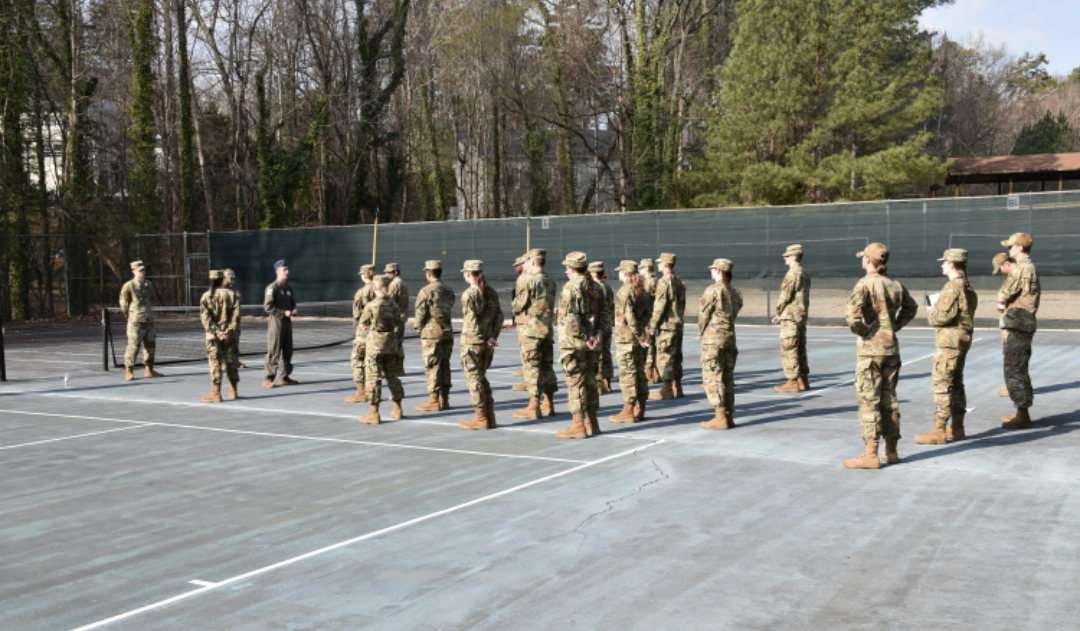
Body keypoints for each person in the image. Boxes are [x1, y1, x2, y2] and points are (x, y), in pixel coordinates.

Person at [843, 243, 918, 469]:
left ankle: (870, 453)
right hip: (890, 349)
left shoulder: (864, 285)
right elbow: (911, 307)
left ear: (868, 260)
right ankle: (892, 450)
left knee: (869, 401)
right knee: (889, 400)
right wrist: (893, 327)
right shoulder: (895, 285)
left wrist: (866, 331)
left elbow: (853, 318)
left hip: (870, 351)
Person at [915, 249, 977, 444]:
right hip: (961, 340)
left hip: (949, 343)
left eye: (944, 262)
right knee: (956, 384)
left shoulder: (952, 288)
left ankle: (939, 429)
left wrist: (931, 311)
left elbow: (942, 318)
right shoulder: (968, 288)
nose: (942, 265)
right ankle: (957, 427)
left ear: (951, 263)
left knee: (942, 384)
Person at [555, 252, 601, 439]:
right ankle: (593, 422)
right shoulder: (597, 286)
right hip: (593, 344)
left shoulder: (571, 287)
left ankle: (578, 425)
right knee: (590, 381)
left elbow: (572, 318)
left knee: (575, 382)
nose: (566, 270)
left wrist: (584, 337)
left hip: (574, 344)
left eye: (567, 267)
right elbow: (606, 315)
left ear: (572, 268)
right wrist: (596, 335)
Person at [997, 232, 1040, 429]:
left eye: (1011, 247)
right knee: (1019, 367)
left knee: (1014, 369)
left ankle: (1023, 414)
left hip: (1018, 323)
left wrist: (1001, 301)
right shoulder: (1029, 268)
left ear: (1020, 248)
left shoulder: (1021, 269)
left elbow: (1004, 293)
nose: (1009, 250)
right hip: (1022, 323)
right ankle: (1022, 411)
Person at [511, 249, 560, 420]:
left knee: (532, 369)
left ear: (532, 261)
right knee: (547, 367)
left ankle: (534, 405)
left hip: (531, 330)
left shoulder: (531, 281)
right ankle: (549, 403)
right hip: (546, 330)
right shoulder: (550, 281)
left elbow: (518, 305)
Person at [699, 259, 743, 429]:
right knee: (727, 377)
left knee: (713, 377)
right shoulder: (735, 291)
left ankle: (720, 416)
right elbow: (737, 309)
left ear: (718, 270)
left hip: (714, 339)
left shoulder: (713, 290)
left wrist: (702, 331)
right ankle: (728, 415)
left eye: (713, 269)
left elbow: (704, 314)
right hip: (729, 338)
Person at [458, 260, 503, 430]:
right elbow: (499, 317)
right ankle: (489, 417)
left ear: (468, 273)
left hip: (473, 343)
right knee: (482, 378)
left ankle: (481, 418)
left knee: (474, 379)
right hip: (487, 343)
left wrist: (480, 338)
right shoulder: (490, 292)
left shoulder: (469, 294)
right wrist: (492, 336)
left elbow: (471, 323)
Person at [608, 260, 652, 424]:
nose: (618, 273)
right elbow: (648, 314)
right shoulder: (642, 291)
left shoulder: (625, 291)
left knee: (628, 375)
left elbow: (629, 317)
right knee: (639, 374)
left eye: (620, 271)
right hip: (639, 340)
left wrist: (639, 335)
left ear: (625, 273)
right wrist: (644, 334)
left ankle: (628, 410)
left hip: (628, 339)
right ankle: (640, 408)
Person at [358, 275, 405, 424]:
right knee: (392, 375)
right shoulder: (393, 304)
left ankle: (373, 412)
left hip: (375, 345)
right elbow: (399, 321)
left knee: (373, 377)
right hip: (391, 344)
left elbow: (363, 324)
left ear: (375, 288)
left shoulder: (371, 306)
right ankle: (397, 408)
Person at [414, 260, 455, 412]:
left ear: (429, 273)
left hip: (432, 334)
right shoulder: (448, 290)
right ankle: (444, 399)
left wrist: (419, 329)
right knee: (445, 365)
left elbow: (420, 315)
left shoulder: (425, 291)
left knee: (432, 366)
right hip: (446, 332)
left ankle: (433, 400)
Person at [647, 253, 686, 400]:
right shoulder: (679, 282)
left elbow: (660, 306)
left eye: (660, 263)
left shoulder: (664, 282)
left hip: (667, 325)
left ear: (665, 264)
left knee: (665, 357)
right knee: (676, 357)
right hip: (677, 324)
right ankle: (677, 386)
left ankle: (667, 388)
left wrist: (652, 327)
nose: (658, 265)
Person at [772, 244, 811, 392]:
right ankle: (803, 380)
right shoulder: (804, 273)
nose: (784, 258)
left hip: (791, 316)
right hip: (800, 315)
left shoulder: (792, 273)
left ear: (794, 256)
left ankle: (792, 381)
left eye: (787, 256)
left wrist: (778, 312)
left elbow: (785, 296)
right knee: (800, 347)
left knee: (789, 348)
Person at [119, 260, 163, 380]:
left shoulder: (149, 284)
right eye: (139, 270)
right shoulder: (129, 286)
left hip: (148, 320)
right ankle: (129, 371)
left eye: (143, 270)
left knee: (150, 346)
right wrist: (130, 315)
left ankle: (149, 369)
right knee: (133, 346)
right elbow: (124, 303)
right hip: (135, 322)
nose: (142, 272)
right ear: (133, 271)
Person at [199, 270, 239, 402]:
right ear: (222, 280)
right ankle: (233, 390)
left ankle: (216, 393)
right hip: (231, 335)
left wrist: (217, 332)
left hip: (213, 336)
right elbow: (236, 317)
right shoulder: (234, 295)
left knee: (215, 363)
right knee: (231, 361)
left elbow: (205, 318)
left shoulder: (206, 296)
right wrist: (228, 331)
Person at [263, 260, 298, 387]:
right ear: (277, 271)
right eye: (284, 270)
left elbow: (292, 302)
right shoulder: (272, 288)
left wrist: (294, 309)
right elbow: (268, 307)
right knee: (274, 349)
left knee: (287, 349)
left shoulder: (289, 288)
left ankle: (284, 376)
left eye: (287, 269)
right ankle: (268, 378)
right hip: (276, 322)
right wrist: (283, 313)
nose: (287, 272)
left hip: (287, 323)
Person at [345, 264, 376, 403]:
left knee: (357, 359)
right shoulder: (383, 289)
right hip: (378, 331)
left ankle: (361, 392)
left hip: (364, 331)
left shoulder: (362, 292)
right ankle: (373, 390)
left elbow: (357, 313)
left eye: (363, 273)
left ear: (366, 274)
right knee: (373, 362)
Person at [589, 262, 616, 394]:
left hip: (598, 323)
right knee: (606, 353)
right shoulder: (608, 287)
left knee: (597, 354)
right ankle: (608, 382)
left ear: (594, 273)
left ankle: (599, 382)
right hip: (607, 323)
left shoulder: (594, 288)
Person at [992, 253, 1015, 398]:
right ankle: (1012, 386)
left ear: (1006, 264)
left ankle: (1013, 387)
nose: (1000, 271)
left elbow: (1004, 295)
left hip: (1014, 321)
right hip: (1013, 320)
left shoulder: (1015, 275)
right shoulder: (1017, 274)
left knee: (1012, 356)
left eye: (1000, 267)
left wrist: (1001, 303)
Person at [221, 269, 244, 389]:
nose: (230, 282)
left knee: (234, 346)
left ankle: (235, 361)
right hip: (221, 327)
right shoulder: (216, 291)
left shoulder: (234, 291)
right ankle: (222, 363)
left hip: (233, 325)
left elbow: (239, 300)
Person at [639, 258, 660, 384]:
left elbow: (645, 302)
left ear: (646, 268)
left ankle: (650, 373)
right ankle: (655, 371)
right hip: (652, 316)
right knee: (652, 344)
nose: (639, 270)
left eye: (641, 268)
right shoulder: (655, 281)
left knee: (649, 345)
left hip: (648, 317)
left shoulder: (649, 283)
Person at [385, 262, 409, 376]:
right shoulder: (402, 283)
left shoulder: (394, 284)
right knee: (398, 342)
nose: (387, 274)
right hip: (401, 316)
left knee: (392, 343)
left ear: (395, 272)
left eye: (389, 272)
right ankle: (400, 368)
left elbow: (390, 301)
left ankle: (393, 368)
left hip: (395, 317)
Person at [511, 255, 530, 389]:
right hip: (526, 319)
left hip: (526, 319)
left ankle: (529, 379)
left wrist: (514, 306)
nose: (516, 267)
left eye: (518, 264)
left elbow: (521, 302)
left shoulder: (524, 279)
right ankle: (526, 369)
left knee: (527, 348)